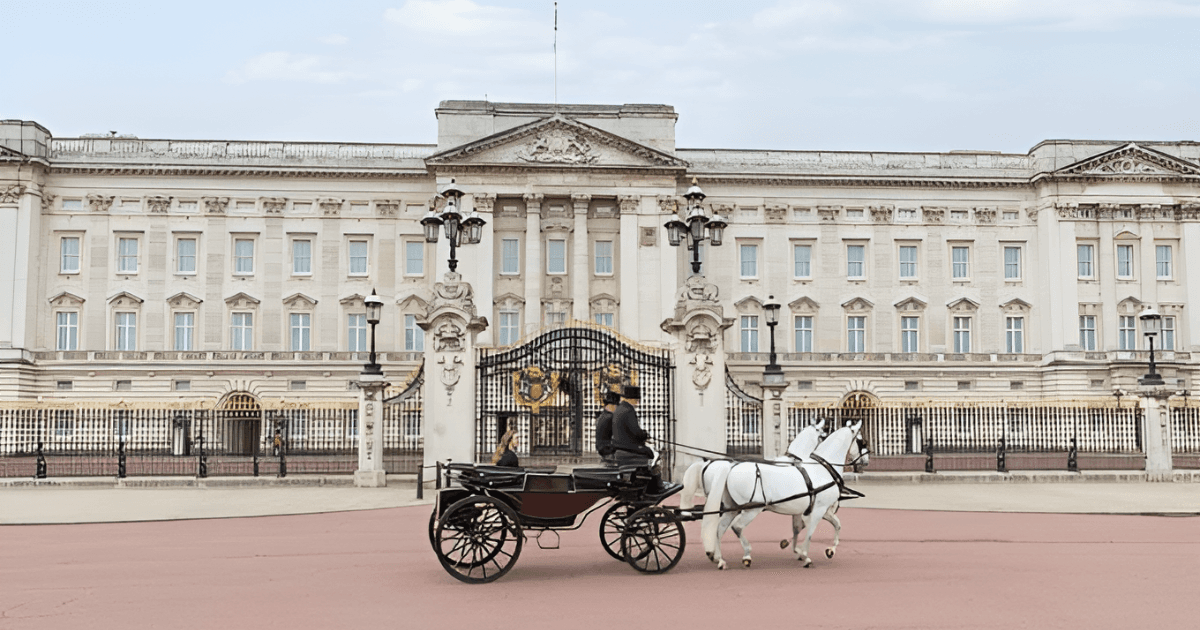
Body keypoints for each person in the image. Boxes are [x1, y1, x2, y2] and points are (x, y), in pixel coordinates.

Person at [595, 390, 620, 464]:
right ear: (612, 405)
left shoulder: (603, 415)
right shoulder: (610, 417)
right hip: (608, 449)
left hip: (602, 448)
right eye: (617, 405)